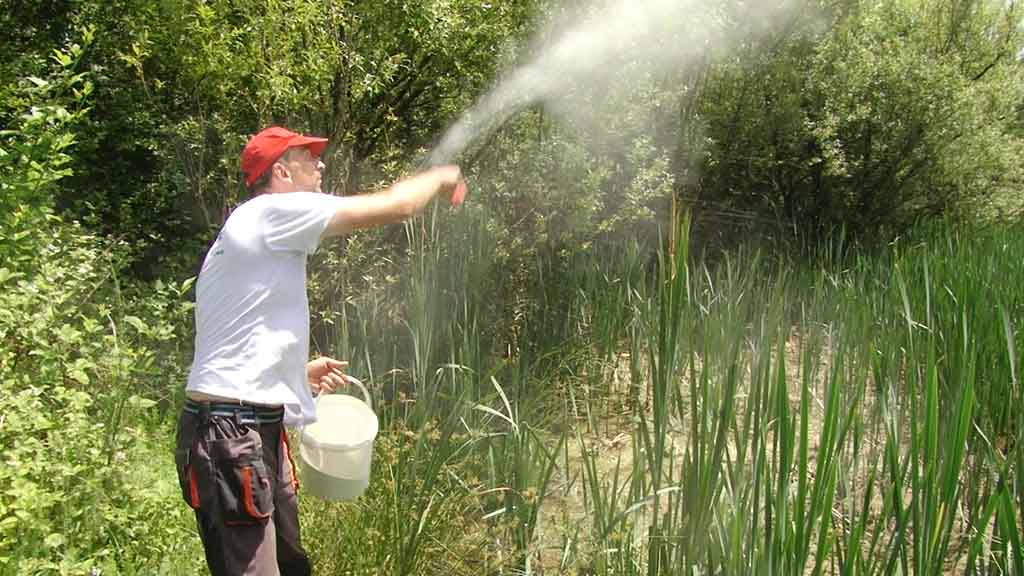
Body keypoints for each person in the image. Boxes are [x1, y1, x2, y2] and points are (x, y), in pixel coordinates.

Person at [174, 126, 466, 575]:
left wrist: (297, 373)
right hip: (231, 435)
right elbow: (399, 205)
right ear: (281, 173)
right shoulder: (270, 212)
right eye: (308, 158)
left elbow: (234, 340)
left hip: (249, 429)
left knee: (293, 564)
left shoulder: (258, 235)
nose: (321, 164)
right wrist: (441, 176)